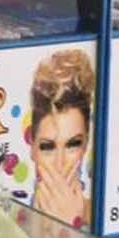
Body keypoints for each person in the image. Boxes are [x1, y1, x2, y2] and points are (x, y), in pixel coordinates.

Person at [29, 48, 95, 228]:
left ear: (86, 144)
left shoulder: (103, 216)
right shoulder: (7, 222)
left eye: (73, 144)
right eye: (47, 147)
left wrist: (72, 223)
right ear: (33, 148)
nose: (60, 163)